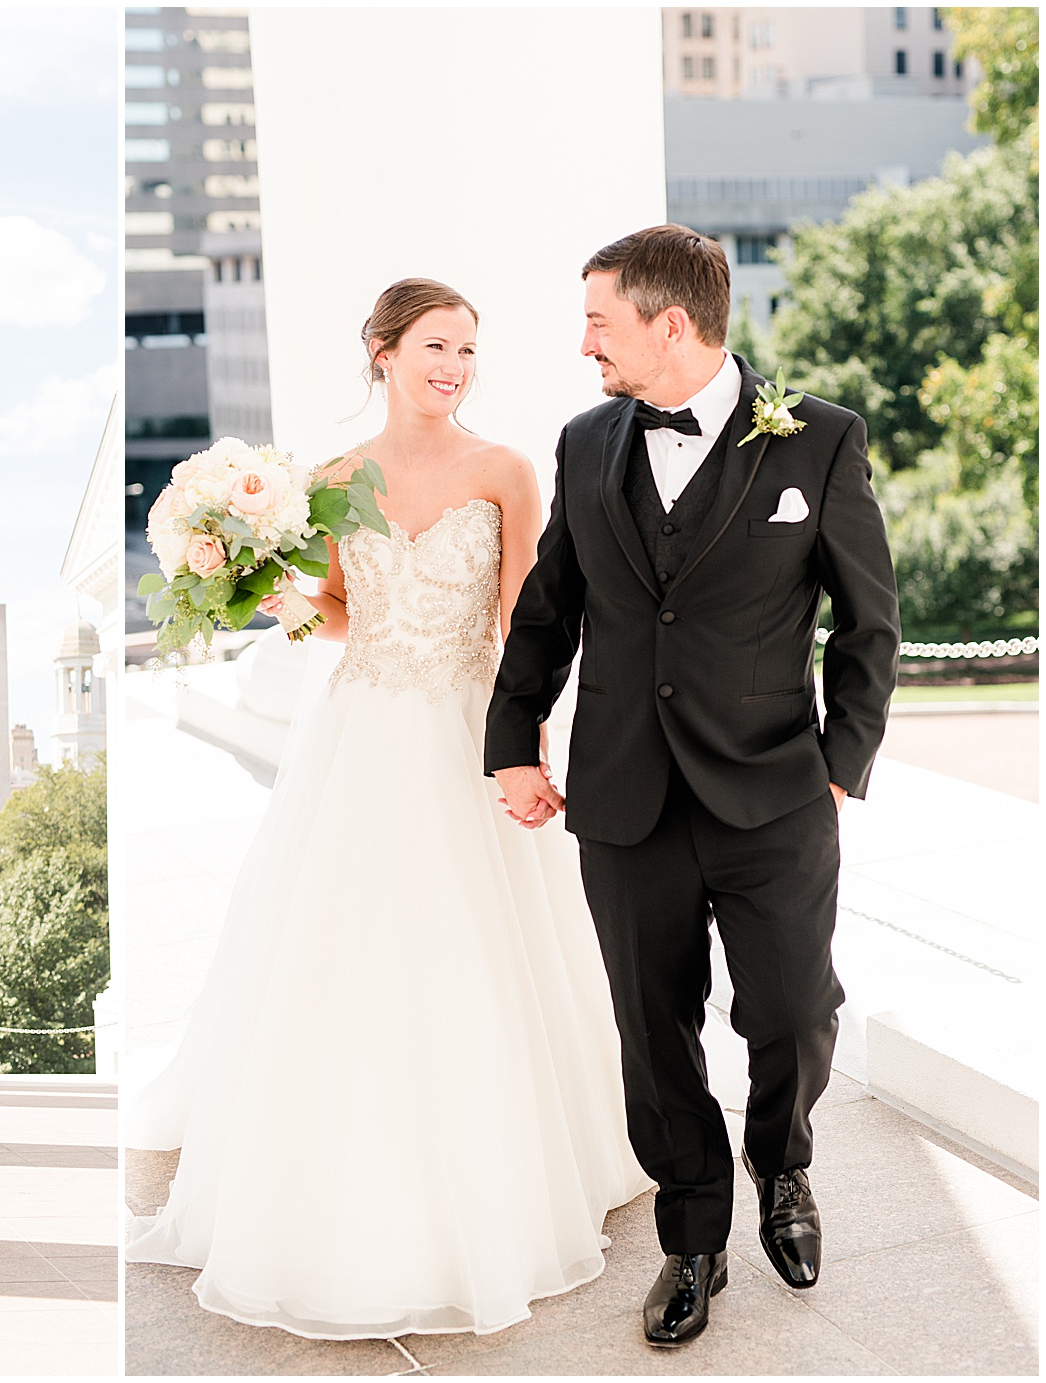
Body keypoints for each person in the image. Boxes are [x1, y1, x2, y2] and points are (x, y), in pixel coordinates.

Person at [126, 277, 650, 1341]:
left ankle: (508, 1159)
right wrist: (263, 591)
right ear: (381, 351)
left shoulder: (504, 470)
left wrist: (528, 743)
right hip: (360, 733)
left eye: (466, 349)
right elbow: (336, 613)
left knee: (476, 946)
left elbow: (521, 619)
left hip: (465, 729)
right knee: (346, 944)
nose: (453, 366)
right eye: (433, 346)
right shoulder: (327, 480)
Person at [487, 225, 899, 1346]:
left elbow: (869, 624)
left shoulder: (818, 441)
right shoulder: (583, 444)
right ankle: (694, 1235)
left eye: (597, 322)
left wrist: (840, 774)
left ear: (671, 325)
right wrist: (512, 739)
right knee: (650, 1030)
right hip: (622, 801)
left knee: (791, 1011)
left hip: (775, 795)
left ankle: (783, 1165)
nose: (583, 345)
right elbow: (548, 610)